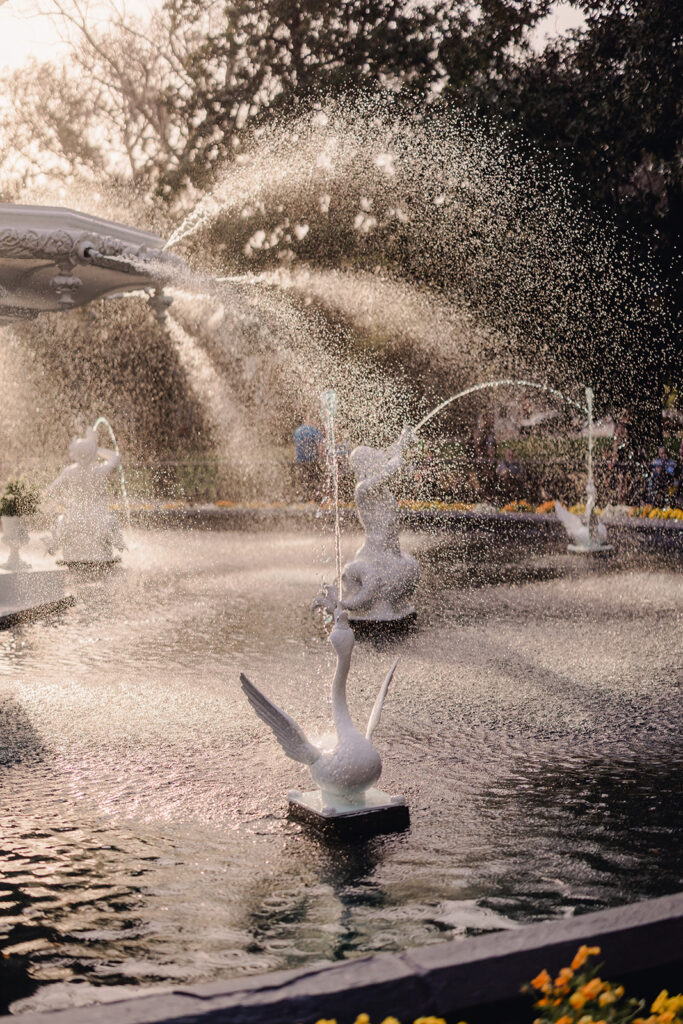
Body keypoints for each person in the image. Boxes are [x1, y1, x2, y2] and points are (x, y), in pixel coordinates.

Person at [293, 416, 324, 502]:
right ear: (313, 420)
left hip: (300, 461)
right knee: (316, 482)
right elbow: (320, 448)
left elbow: (296, 446)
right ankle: (317, 501)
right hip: (313, 461)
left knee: (304, 482)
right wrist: (322, 459)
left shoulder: (297, 431)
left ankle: (304, 501)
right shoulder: (315, 431)